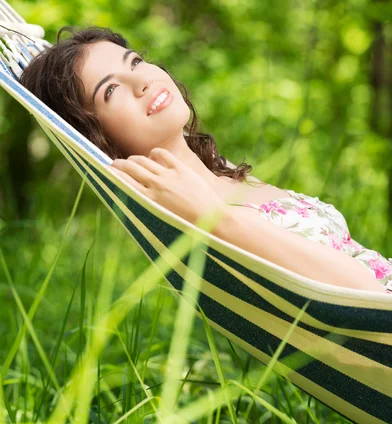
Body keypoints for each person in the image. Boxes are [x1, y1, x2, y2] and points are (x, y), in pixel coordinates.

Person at [20, 26, 392, 295]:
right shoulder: (186, 214)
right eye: (111, 89)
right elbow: (363, 294)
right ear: (91, 133)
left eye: (134, 61)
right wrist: (216, 219)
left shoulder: (218, 170)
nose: (143, 81)